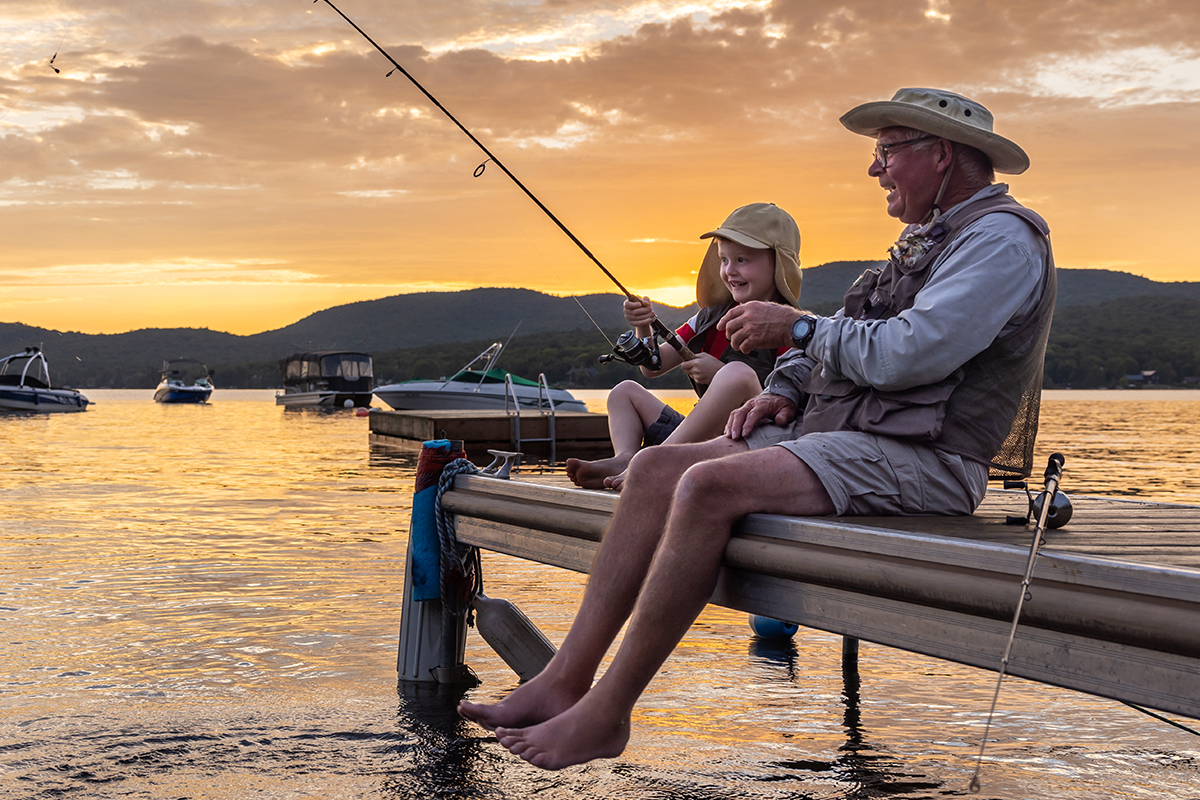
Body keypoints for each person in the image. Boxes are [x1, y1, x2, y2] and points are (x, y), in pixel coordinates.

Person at [458, 87, 1056, 770]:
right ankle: (564, 679)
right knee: (653, 470)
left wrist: (798, 326)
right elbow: (862, 340)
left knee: (709, 485)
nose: (875, 169)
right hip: (855, 440)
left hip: (929, 460)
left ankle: (608, 711)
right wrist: (785, 390)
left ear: (941, 154)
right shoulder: (934, 237)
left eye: (885, 152)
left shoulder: (1001, 242)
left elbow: (910, 350)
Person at [566, 203, 803, 490]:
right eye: (724, 260)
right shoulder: (709, 318)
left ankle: (653, 463)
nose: (729, 271)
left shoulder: (790, 328)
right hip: (693, 439)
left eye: (742, 260)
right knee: (623, 392)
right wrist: (643, 324)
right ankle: (627, 458)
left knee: (737, 374)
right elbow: (653, 366)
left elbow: (788, 400)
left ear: (778, 264)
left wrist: (720, 374)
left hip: (751, 441)